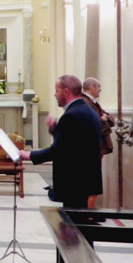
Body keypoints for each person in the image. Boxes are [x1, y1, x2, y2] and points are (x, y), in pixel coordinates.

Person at [19, 75, 102, 208]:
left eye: (56, 91)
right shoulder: (84, 110)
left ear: (66, 91)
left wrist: (29, 155)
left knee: (74, 224)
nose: (54, 94)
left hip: (77, 182)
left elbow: (59, 150)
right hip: (83, 180)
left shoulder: (72, 115)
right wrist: (55, 128)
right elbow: (73, 142)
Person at [82, 77, 115, 156]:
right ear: (91, 87)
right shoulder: (84, 102)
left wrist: (105, 119)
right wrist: (102, 120)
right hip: (92, 144)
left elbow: (111, 118)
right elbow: (93, 124)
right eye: (99, 86)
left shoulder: (92, 101)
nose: (100, 90)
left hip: (98, 145)